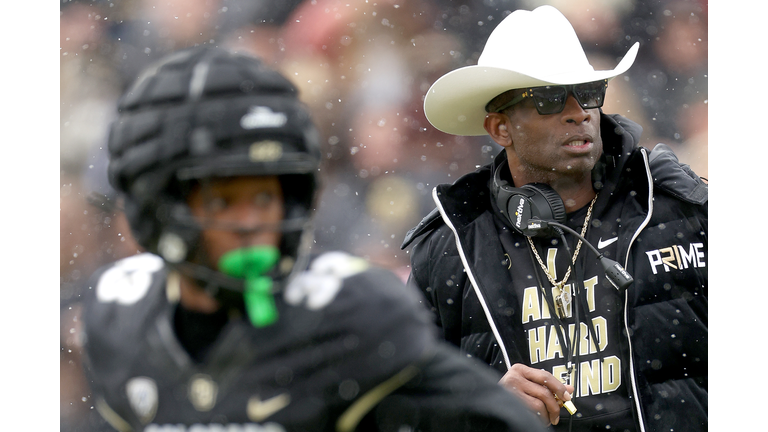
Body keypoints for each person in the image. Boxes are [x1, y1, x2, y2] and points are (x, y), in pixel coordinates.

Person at [79, 46, 548, 432]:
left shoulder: (346, 314)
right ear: (160, 206)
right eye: (223, 201)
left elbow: (500, 419)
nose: (251, 223)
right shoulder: (119, 318)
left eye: (264, 197)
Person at [401, 5, 707, 432]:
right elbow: (400, 408)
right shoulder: (449, 248)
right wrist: (481, 406)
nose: (578, 111)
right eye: (548, 98)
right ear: (500, 129)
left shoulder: (682, 210)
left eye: (588, 92)